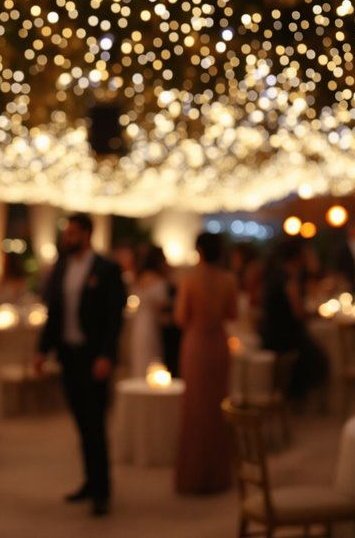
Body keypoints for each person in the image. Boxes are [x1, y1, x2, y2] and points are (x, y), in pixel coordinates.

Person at [34, 214, 126, 517]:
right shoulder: (62, 267)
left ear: (86, 234)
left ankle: (103, 491)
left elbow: (115, 318)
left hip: (93, 356)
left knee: (95, 424)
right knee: (80, 423)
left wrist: (106, 356)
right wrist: (42, 350)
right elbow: (54, 313)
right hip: (69, 356)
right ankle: (89, 481)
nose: (66, 238)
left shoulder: (107, 269)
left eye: (72, 233)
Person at [174, 232, 237, 494]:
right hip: (218, 345)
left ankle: (194, 476)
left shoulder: (190, 279)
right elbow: (232, 314)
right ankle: (218, 475)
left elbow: (180, 317)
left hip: (197, 344)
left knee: (195, 409)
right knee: (217, 407)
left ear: (199, 251)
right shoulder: (228, 280)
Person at [260, 238, 328, 402]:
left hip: (270, 333)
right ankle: (299, 396)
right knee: (321, 358)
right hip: (283, 338)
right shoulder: (288, 280)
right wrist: (316, 314)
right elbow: (299, 313)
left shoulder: (276, 274)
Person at [127, 245, 170, 378]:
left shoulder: (139, 278)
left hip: (138, 325)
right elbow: (161, 307)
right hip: (151, 325)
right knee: (151, 359)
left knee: (139, 360)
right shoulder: (158, 280)